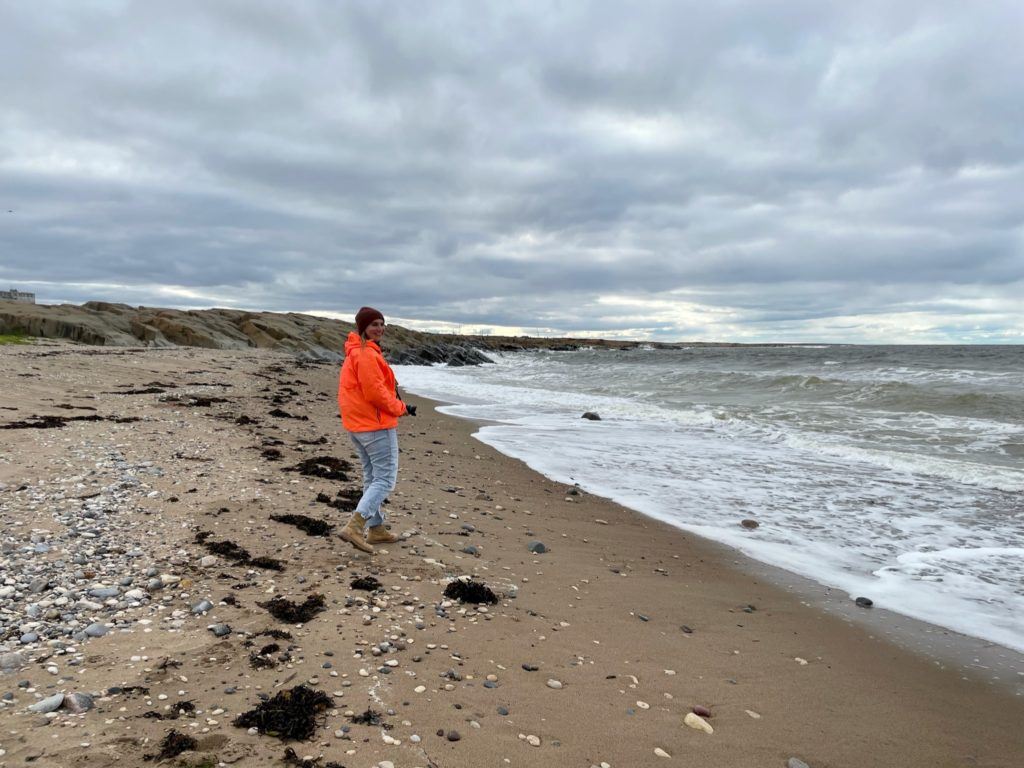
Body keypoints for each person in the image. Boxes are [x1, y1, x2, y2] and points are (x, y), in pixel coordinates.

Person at [337, 306, 415, 554]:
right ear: (363, 328)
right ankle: (354, 526)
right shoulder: (366, 355)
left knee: (372, 477)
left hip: (359, 425)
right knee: (384, 479)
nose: (379, 328)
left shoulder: (356, 353)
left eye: (382, 324)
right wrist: (400, 408)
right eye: (374, 325)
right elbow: (376, 393)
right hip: (374, 426)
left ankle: (377, 528)